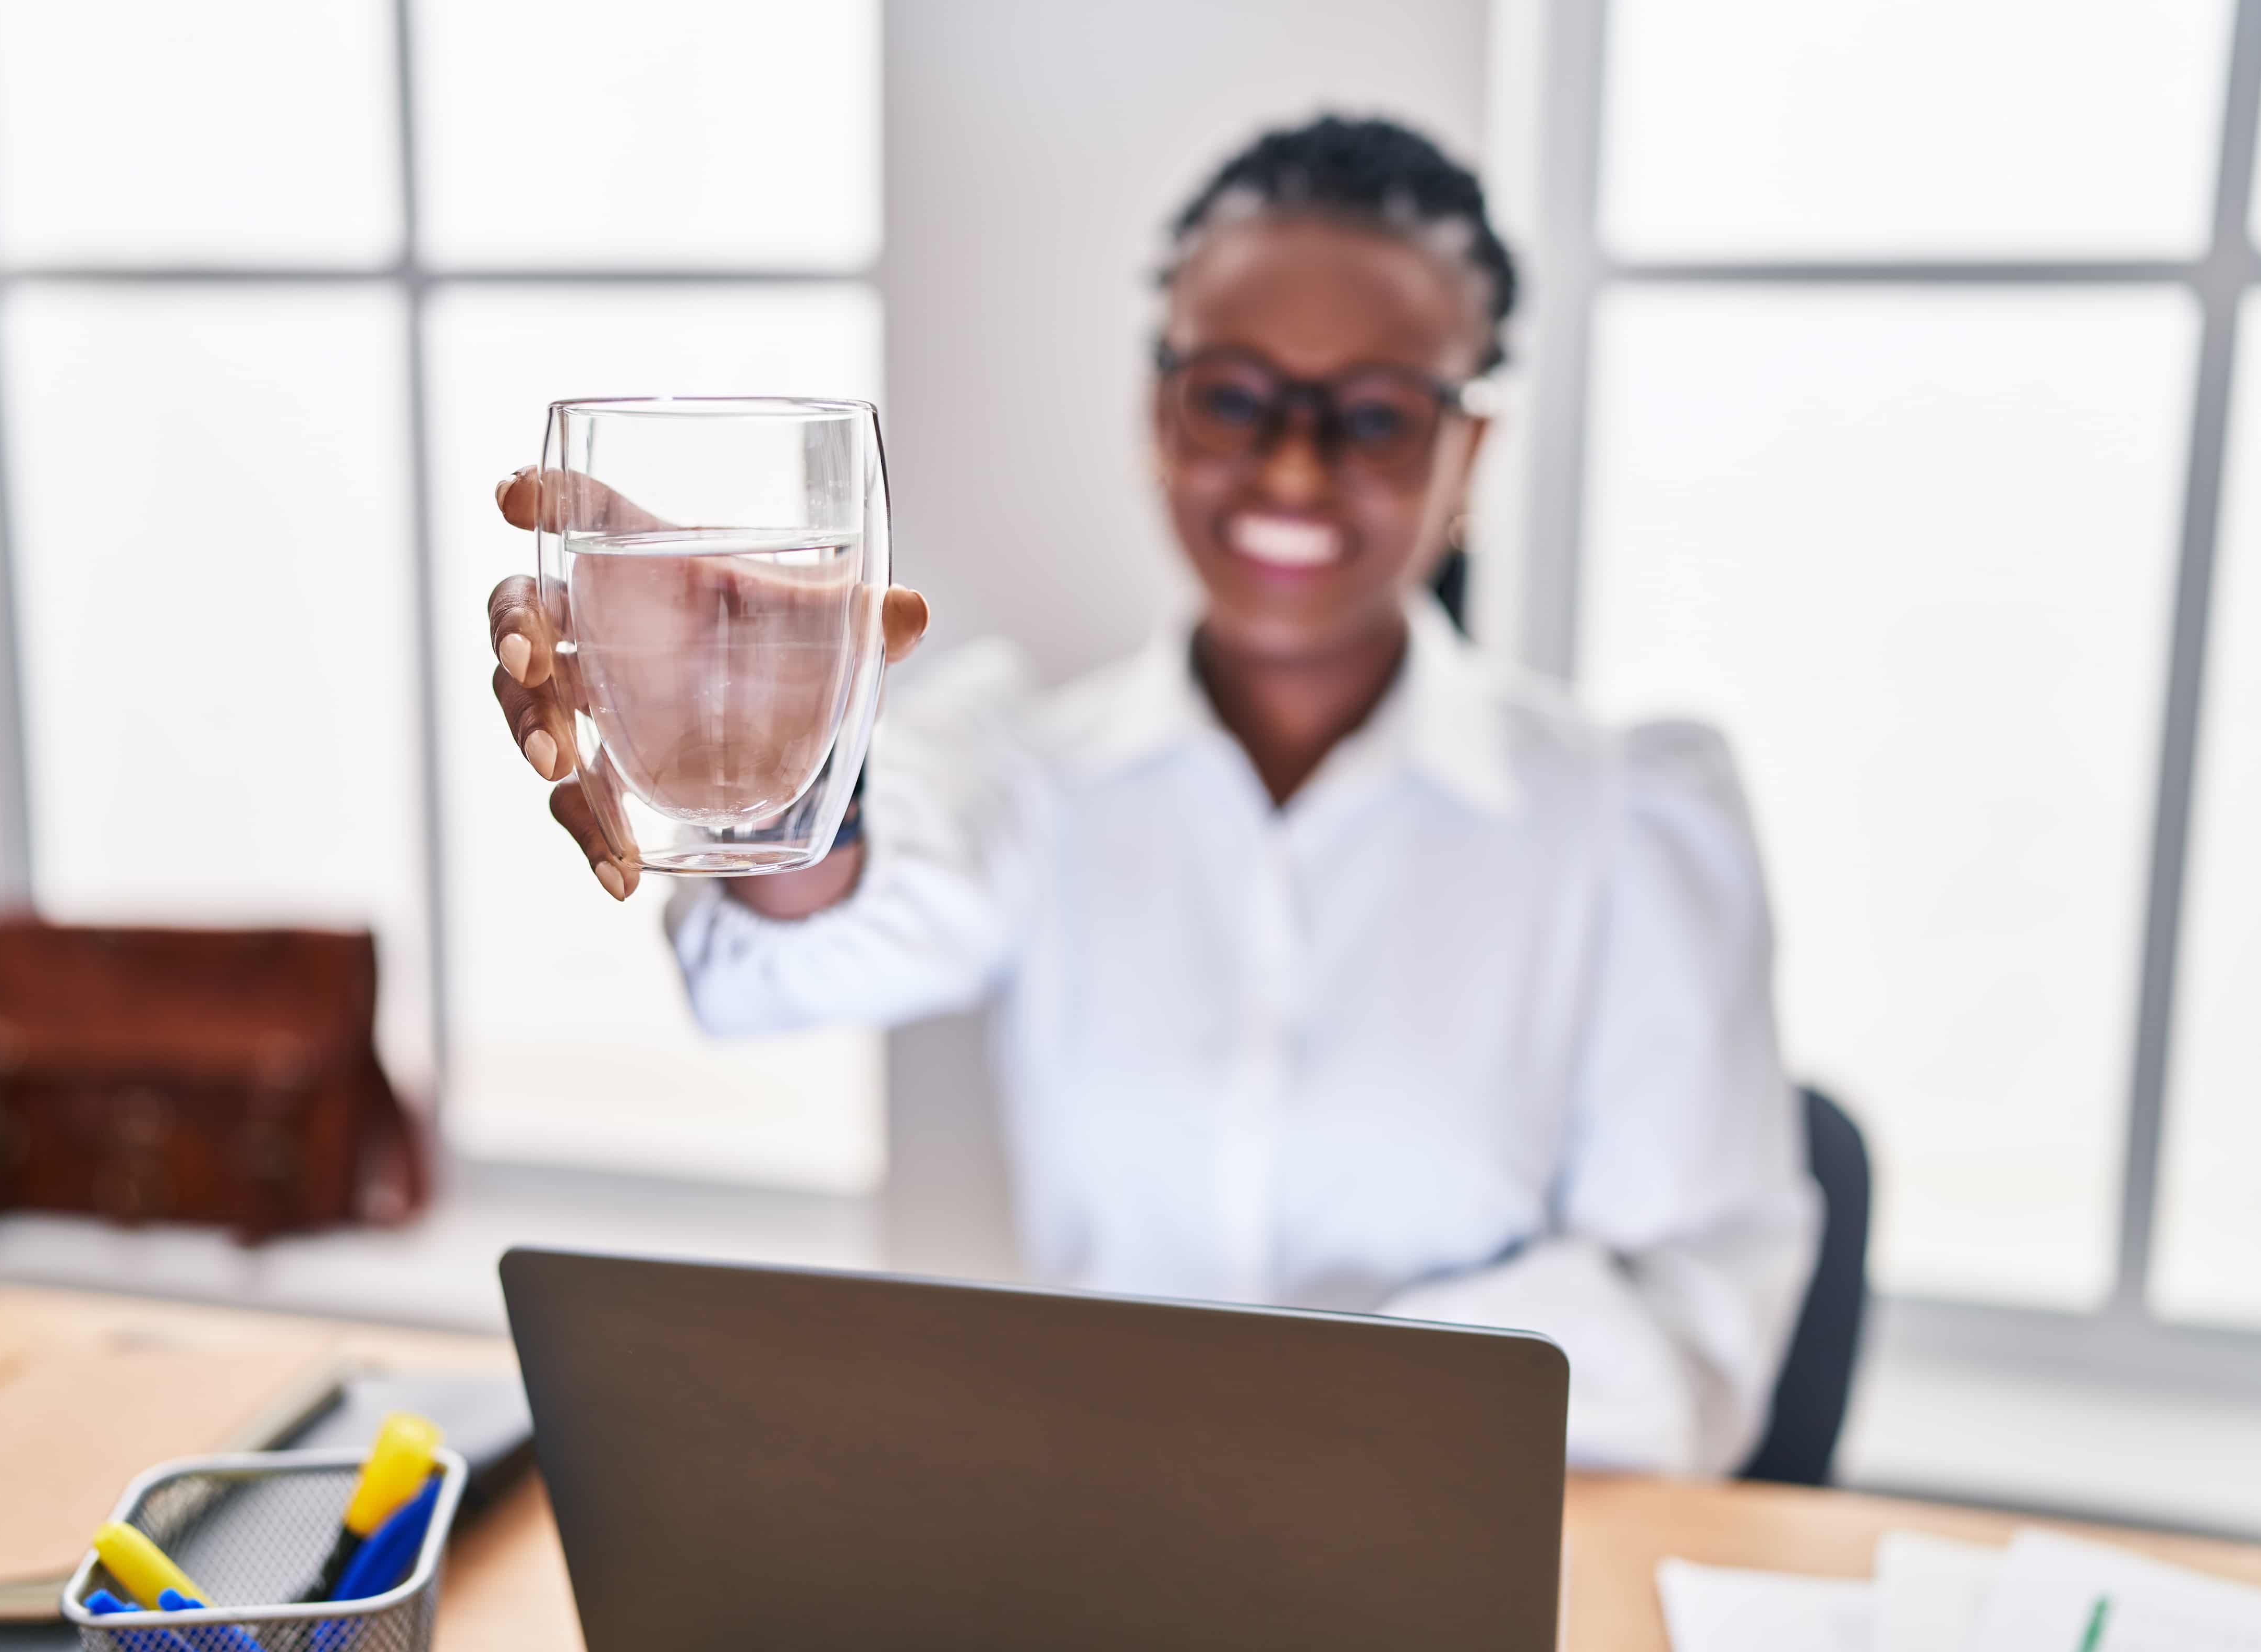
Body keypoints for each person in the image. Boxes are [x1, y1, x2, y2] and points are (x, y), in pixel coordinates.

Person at [485, 116, 1818, 1476]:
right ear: (1156, 413)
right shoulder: (1031, 769)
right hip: (1110, 1564)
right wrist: (762, 758)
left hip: (1483, 1548)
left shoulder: (1625, 821)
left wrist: (1273, 1423)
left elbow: (1692, 1345)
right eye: (1235, 398)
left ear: (1466, 454)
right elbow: (806, 941)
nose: (1293, 471)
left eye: (1373, 418)